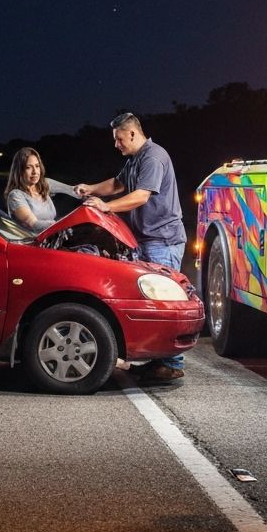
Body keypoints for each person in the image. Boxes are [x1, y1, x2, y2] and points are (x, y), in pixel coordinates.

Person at [75, 112, 188, 382]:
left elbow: (140, 196)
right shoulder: (135, 160)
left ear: (133, 134)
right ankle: (159, 361)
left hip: (163, 240)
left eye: (119, 139)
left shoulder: (153, 157)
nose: (116, 144)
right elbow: (117, 184)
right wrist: (90, 189)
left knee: (165, 302)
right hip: (147, 239)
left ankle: (172, 363)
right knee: (152, 302)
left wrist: (106, 206)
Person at [4, 147, 58, 234]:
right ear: (19, 171)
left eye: (37, 166)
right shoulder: (15, 195)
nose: (35, 172)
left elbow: (76, 190)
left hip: (53, 239)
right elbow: (34, 224)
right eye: (28, 167)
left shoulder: (45, 184)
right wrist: (64, 225)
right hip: (32, 245)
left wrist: (87, 197)